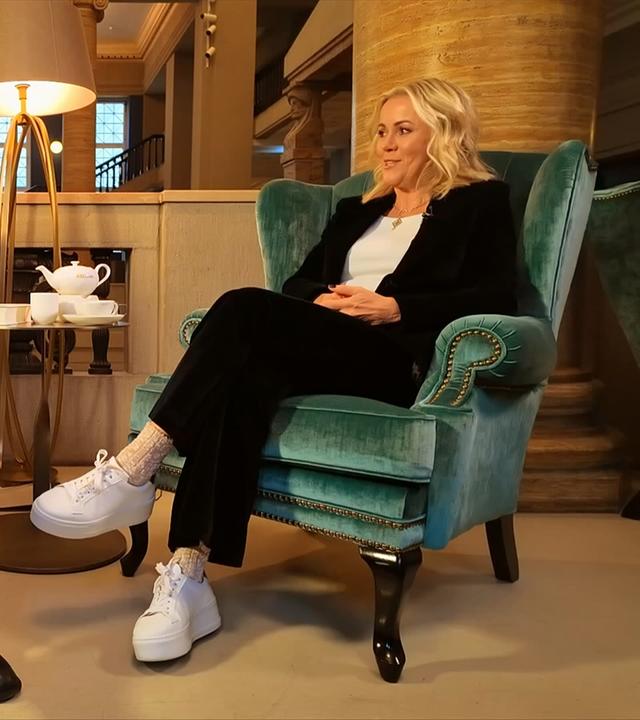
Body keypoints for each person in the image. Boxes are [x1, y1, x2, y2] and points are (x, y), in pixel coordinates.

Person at [31, 78, 517, 663]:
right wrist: (324, 301)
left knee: (240, 306)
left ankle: (137, 467)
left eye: (403, 131)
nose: (386, 145)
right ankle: (188, 574)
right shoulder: (357, 210)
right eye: (381, 131)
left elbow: (498, 296)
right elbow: (297, 283)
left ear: (443, 132)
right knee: (243, 377)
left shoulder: (479, 203)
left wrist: (395, 307)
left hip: (392, 357)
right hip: (324, 342)